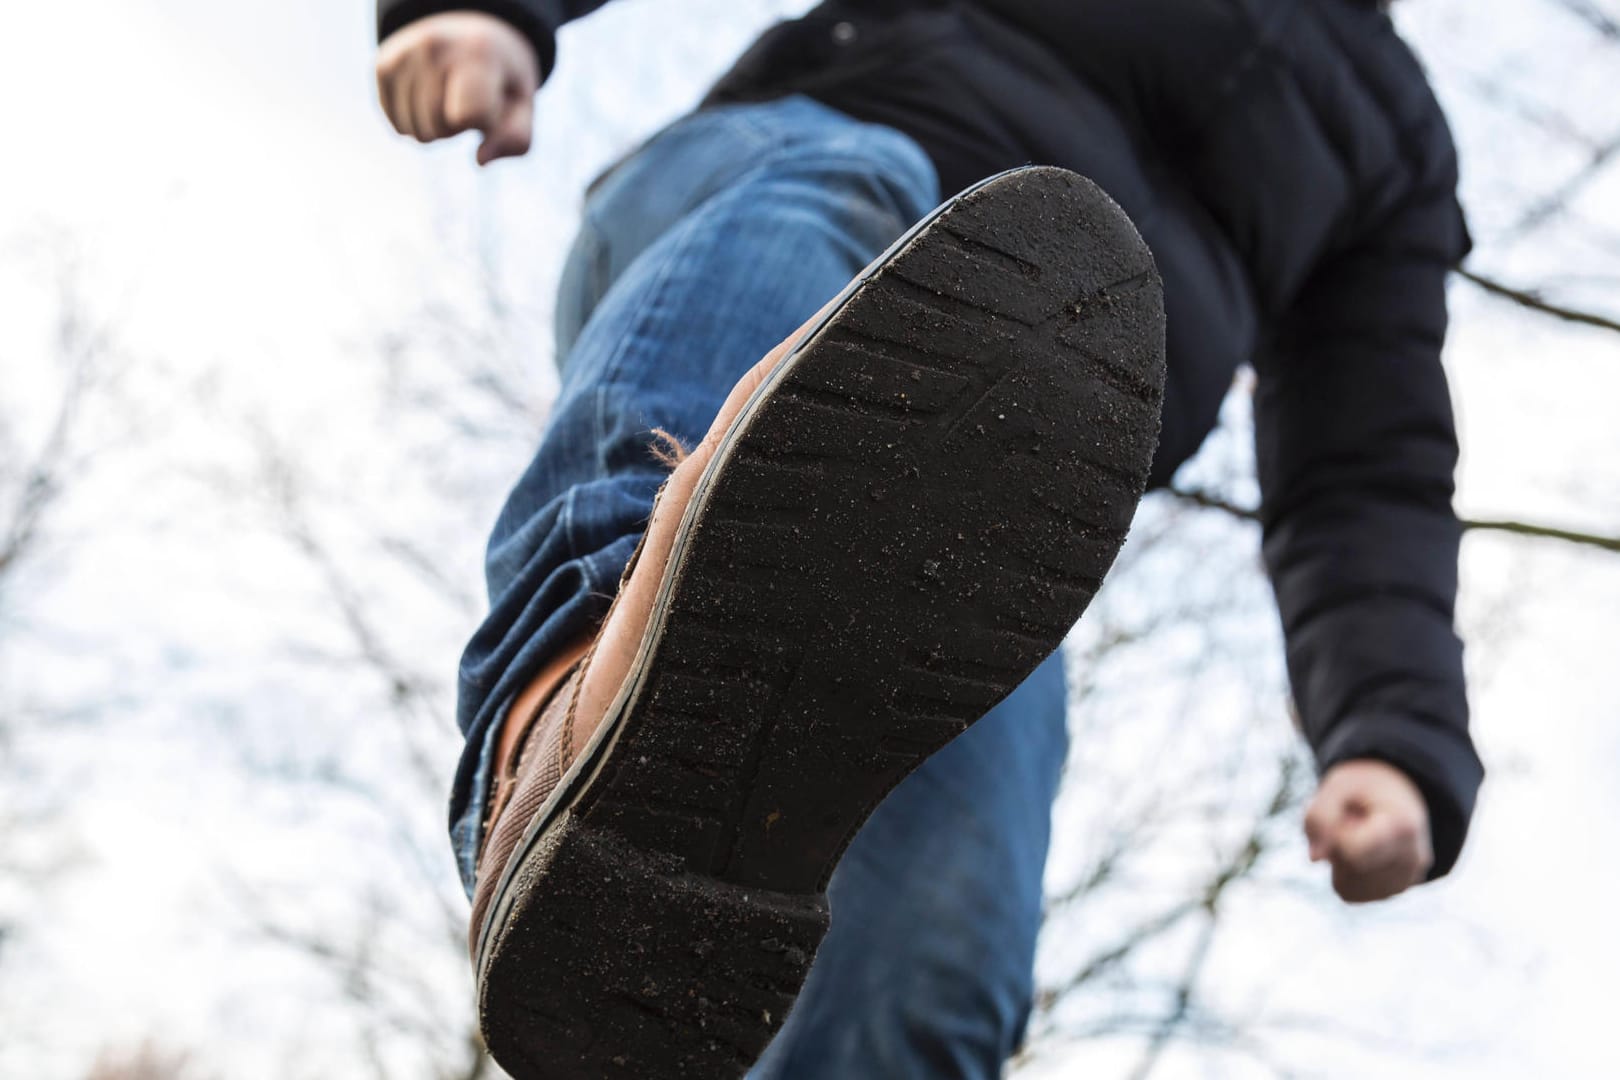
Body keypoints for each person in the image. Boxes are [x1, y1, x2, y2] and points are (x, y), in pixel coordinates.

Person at [373, 1, 1485, 1077]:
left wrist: (1392, 733)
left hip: (995, 507)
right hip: (791, 185)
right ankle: (570, 742)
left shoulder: (1391, 144)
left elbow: (1366, 461)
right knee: (852, 192)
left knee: (938, 965)